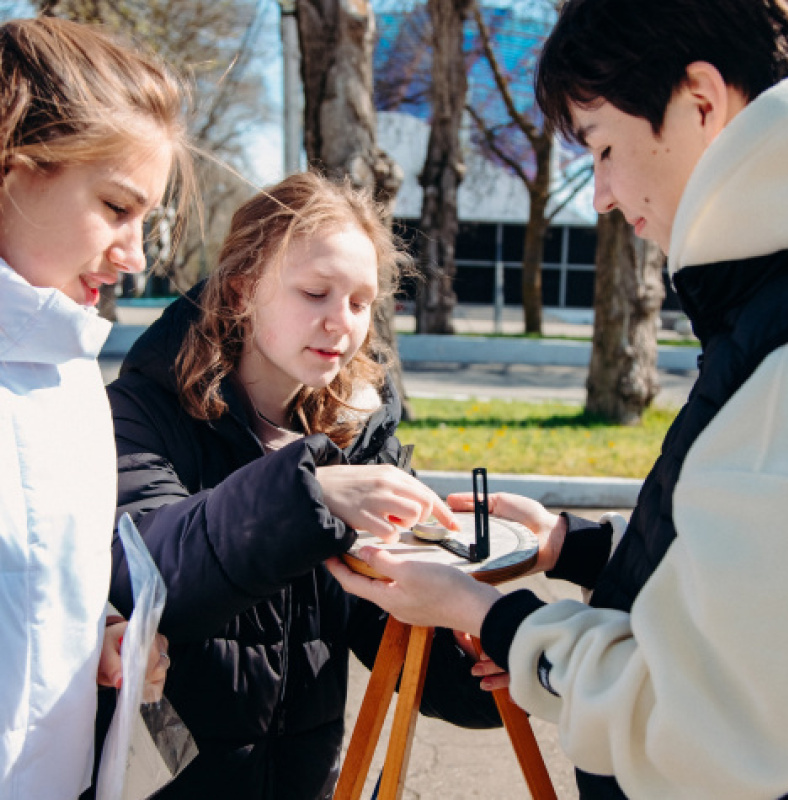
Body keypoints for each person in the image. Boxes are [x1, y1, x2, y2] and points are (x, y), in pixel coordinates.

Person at [326, 0, 788, 797]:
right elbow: (743, 607)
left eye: (604, 149)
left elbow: (698, 724)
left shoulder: (782, 346)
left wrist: (483, 618)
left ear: (701, 103)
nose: (602, 196)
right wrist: (573, 547)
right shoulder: (766, 308)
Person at [100, 171, 500, 800]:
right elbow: (152, 573)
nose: (341, 323)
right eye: (315, 292)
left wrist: (484, 660)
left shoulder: (360, 431)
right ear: (240, 290)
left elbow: (389, 620)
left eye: (360, 302)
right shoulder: (142, 411)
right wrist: (308, 496)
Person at [0, 15, 193, 800]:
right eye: (117, 207)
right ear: (14, 169)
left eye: (146, 218)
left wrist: (104, 639)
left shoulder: (74, 370)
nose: (136, 254)